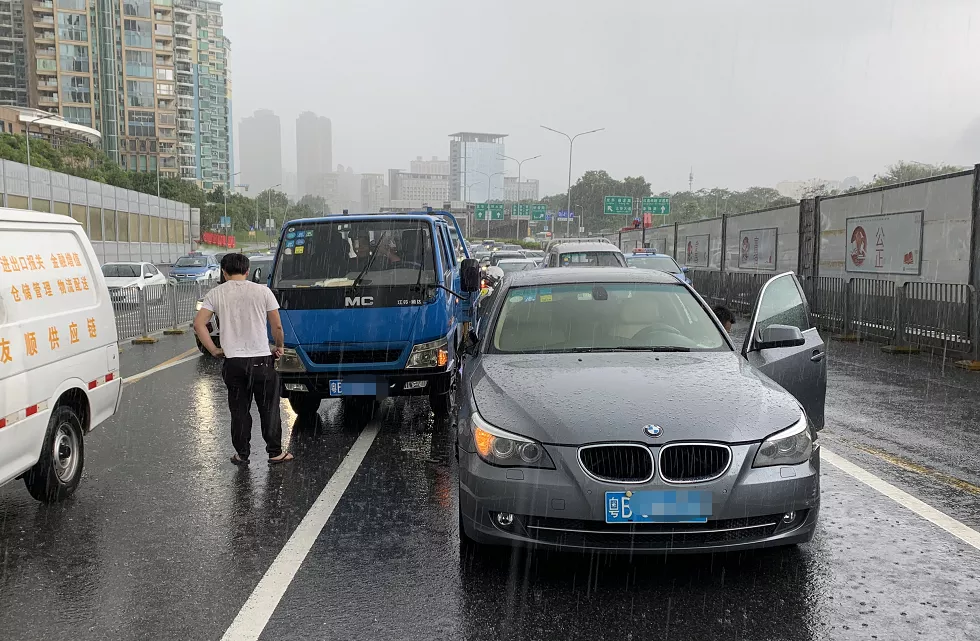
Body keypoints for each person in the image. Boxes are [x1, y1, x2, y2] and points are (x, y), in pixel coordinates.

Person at [194, 253, 293, 466]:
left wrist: (213, 349)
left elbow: (199, 324)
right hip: (261, 361)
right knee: (269, 408)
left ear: (224, 272)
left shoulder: (215, 293)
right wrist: (279, 346)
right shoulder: (262, 291)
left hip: (234, 362)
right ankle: (275, 452)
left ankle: (242, 454)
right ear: (247, 271)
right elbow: (276, 326)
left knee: (239, 410)